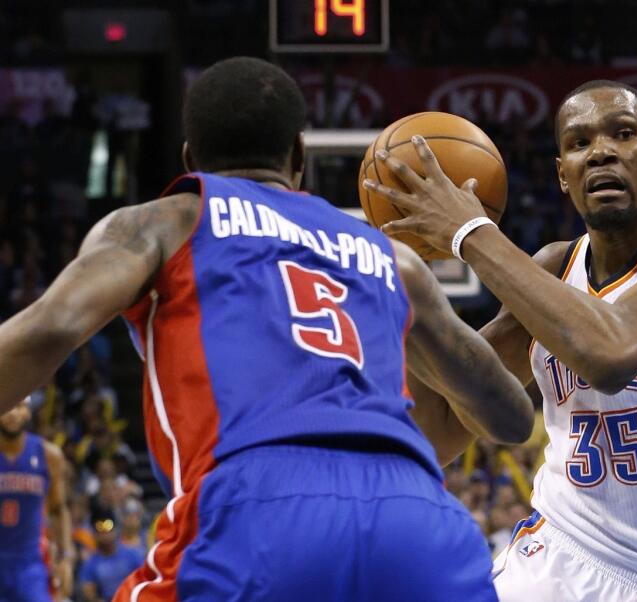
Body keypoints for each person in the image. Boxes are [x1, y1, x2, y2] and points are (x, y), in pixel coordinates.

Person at [0, 57, 534, 602]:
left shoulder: (165, 221)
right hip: (418, 517)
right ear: (300, 156)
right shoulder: (392, 260)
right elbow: (511, 417)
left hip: (254, 506)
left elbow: (52, 328)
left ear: (190, 160)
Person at [363, 79, 637, 602]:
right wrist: (408, 291)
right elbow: (442, 427)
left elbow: (612, 355)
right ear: (563, 175)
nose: (601, 151)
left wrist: (470, 233)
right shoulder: (553, 268)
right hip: (556, 549)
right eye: (579, 143)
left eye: (623, 133)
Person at [0, 399, 74, 602]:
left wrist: (66, 557)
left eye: (19, 406)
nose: (13, 413)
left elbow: (58, 509)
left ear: (29, 412)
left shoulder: (48, 454)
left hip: (29, 564)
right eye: (8, 405)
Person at [77, 510, 143, 602]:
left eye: (108, 531)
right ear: (95, 535)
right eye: (101, 532)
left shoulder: (132, 555)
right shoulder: (90, 563)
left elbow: (144, 579)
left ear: (115, 531)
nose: (105, 536)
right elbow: (89, 593)